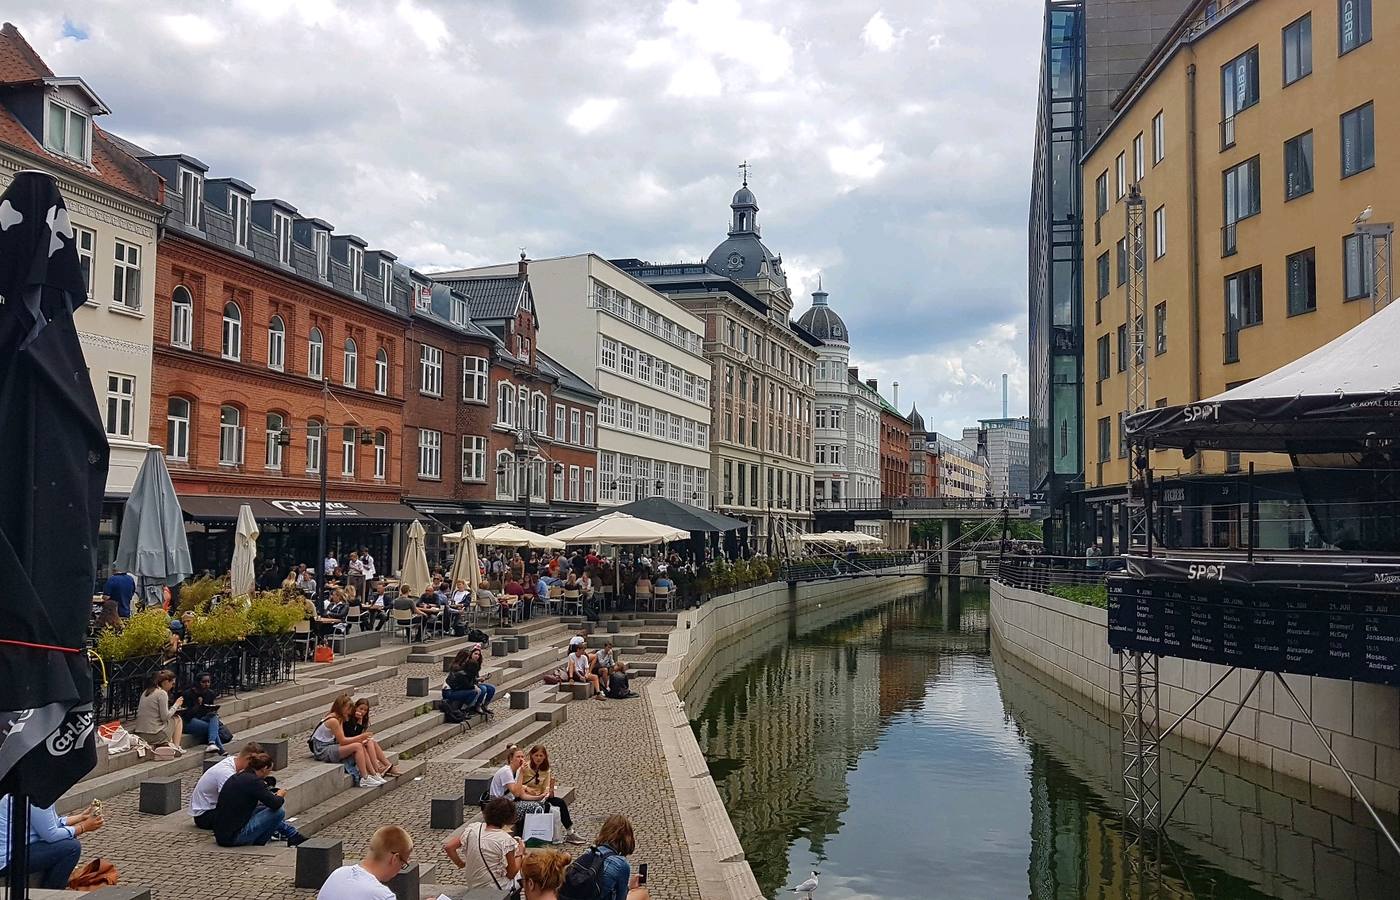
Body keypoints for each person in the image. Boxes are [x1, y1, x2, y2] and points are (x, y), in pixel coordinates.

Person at [0, 796, 103, 889]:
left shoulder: (36, 792)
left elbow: (51, 823)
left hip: (17, 848)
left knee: (68, 837)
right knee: (72, 847)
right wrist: (83, 827)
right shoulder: (37, 797)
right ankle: (52, 891)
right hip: (7, 859)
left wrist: (80, 817)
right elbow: (51, 835)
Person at [211, 751, 305, 847]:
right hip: (233, 837)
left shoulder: (239, 776)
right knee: (278, 812)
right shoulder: (254, 781)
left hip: (222, 833)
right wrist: (280, 795)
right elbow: (275, 803)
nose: (269, 774)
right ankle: (261, 841)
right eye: (269, 770)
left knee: (263, 808)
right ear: (264, 769)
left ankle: (292, 835)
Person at [309, 694, 396, 785]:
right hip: (322, 749)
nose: (350, 711)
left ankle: (373, 774)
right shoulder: (333, 720)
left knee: (361, 745)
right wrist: (360, 737)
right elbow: (342, 741)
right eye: (348, 708)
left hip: (329, 745)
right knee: (358, 746)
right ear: (341, 708)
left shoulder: (339, 718)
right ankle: (364, 777)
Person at [443, 797, 522, 891]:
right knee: (526, 871)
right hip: (496, 888)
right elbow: (511, 874)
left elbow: (449, 847)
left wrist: (461, 864)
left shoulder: (473, 828)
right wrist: (520, 854)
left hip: (473, 885)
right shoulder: (505, 840)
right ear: (508, 818)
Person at [317, 824, 411, 900]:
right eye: (402, 864)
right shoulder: (382, 896)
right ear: (395, 858)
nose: (399, 870)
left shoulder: (338, 873)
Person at [190, 743, 271, 828]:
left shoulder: (233, 762)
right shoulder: (226, 773)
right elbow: (232, 800)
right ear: (248, 759)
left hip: (214, 808)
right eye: (255, 764)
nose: (255, 768)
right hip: (205, 815)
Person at [520, 745, 585, 845]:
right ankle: (543, 834)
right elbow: (518, 784)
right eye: (536, 755)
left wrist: (549, 790)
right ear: (531, 755)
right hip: (526, 797)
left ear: (545, 757)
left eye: (541, 756)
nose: (538, 758)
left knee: (560, 802)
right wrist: (527, 788)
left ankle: (570, 832)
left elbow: (546, 789)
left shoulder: (546, 770)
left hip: (540, 796)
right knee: (546, 807)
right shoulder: (526, 768)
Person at [590, 815, 650, 900]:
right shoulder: (620, 864)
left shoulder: (589, 851)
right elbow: (621, 898)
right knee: (642, 893)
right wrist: (631, 889)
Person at [134, 669, 185, 750]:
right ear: (166, 682)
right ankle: (176, 747)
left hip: (140, 734)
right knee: (177, 719)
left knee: (168, 722)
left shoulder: (146, 692)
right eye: (172, 683)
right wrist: (176, 705)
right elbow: (165, 717)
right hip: (155, 735)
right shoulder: (162, 693)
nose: (172, 686)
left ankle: (170, 744)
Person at [180, 672, 229, 754]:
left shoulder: (210, 693)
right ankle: (220, 749)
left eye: (208, 682)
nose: (206, 684)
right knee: (212, 728)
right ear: (198, 682)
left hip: (203, 718)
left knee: (214, 717)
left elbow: (208, 709)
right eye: (204, 682)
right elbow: (187, 715)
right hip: (189, 721)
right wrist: (197, 705)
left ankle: (212, 743)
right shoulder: (188, 694)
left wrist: (212, 710)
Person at [444, 645, 495, 715]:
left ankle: (483, 706)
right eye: (475, 654)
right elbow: (465, 683)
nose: (477, 656)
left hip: (468, 684)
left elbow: (470, 679)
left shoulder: (471, 665)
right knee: (480, 690)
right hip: (454, 689)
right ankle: (467, 708)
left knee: (491, 688)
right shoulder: (460, 668)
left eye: (479, 654)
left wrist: (478, 680)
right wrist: (475, 684)